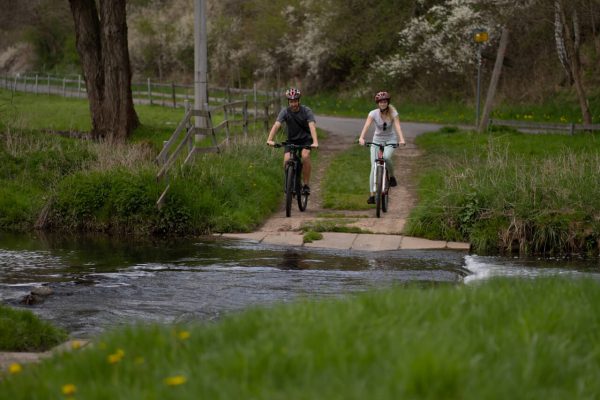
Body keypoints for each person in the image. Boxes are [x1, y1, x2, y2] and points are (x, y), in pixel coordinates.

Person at [266, 87, 319, 194]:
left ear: (299, 100)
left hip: (305, 140)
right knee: (286, 160)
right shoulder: (285, 112)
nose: (293, 104)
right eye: (291, 101)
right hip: (291, 140)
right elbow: (276, 125)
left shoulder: (306, 111)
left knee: (305, 156)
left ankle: (305, 185)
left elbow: (312, 126)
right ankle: (290, 182)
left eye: (295, 101)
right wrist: (270, 139)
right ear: (288, 101)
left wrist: (315, 142)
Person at [358, 91, 406, 204]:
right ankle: (372, 195)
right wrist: (361, 138)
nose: (383, 104)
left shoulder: (393, 113)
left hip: (390, 140)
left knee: (386, 158)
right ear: (378, 103)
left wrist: (402, 139)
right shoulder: (373, 113)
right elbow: (366, 126)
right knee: (374, 167)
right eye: (381, 102)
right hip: (376, 141)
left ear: (388, 102)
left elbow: (398, 127)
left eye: (385, 102)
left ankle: (392, 176)